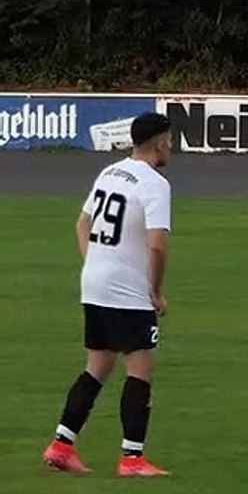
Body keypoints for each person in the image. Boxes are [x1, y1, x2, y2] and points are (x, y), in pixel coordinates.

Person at [42, 112, 175, 477]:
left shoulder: (110, 172)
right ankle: (132, 459)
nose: (171, 146)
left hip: (95, 283)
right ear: (160, 142)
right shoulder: (155, 184)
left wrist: (95, 262)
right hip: (127, 290)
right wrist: (156, 291)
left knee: (97, 367)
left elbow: (82, 223)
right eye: (169, 140)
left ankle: (61, 445)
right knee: (140, 369)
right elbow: (158, 246)